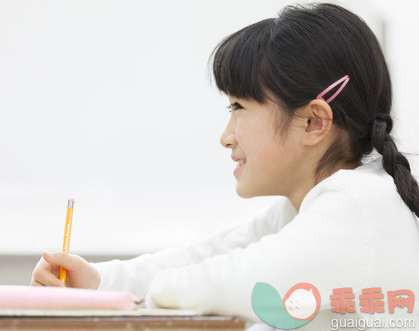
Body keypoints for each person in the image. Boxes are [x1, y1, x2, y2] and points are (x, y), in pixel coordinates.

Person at [31, 3, 419, 329]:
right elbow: (205, 258)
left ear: (314, 122)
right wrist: (101, 283)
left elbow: (227, 283)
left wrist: (115, 294)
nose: (227, 136)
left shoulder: (358, 206)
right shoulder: (310, 207)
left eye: (238, 108)